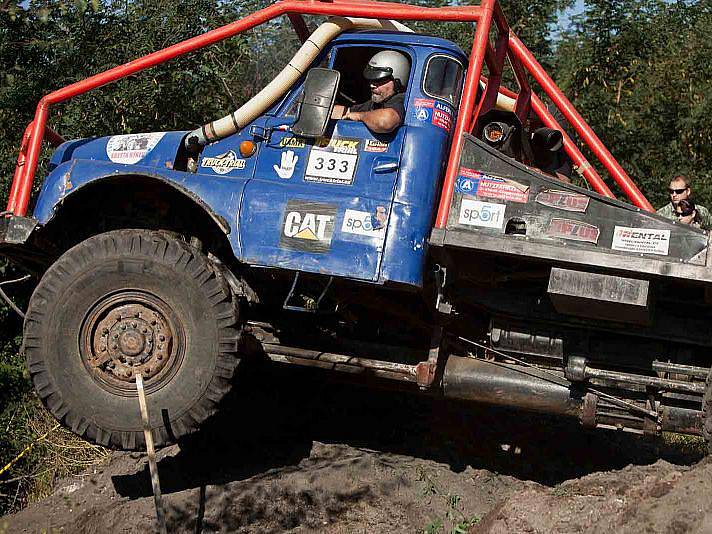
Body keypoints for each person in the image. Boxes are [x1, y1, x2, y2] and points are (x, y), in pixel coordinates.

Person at [332, 50, 409, 134]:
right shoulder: (379, 101)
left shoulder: (401, 100)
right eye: (371, 80)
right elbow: (348, 111)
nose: (372, 85)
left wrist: (360, 116)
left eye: (379, 80)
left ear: (397, 82)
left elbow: (385, 122)